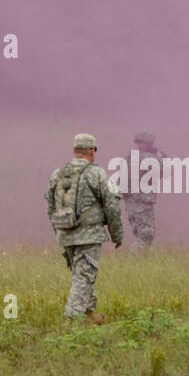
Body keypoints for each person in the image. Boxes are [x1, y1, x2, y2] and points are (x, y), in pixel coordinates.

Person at [47, 133, 123, 323]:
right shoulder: (96, 173)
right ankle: (70, 320)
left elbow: (50, 206)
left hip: (66, 234)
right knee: (84, 276)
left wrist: (60, 232)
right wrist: (117, 235)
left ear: (75, 151)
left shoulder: (58, 174)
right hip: (89, 236)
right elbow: (112, 206)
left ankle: (90, 316)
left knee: (81, 274)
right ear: (91, 151)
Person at [122, 129, 166, 251]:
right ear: (150, 143)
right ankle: (132, 263)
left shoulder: (130, 157)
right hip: (142, 202)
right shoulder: (148, 158)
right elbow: (165, 171)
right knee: (146, 235)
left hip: (131, 203)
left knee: (140, 235)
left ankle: (137, 263)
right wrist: (161, 157)